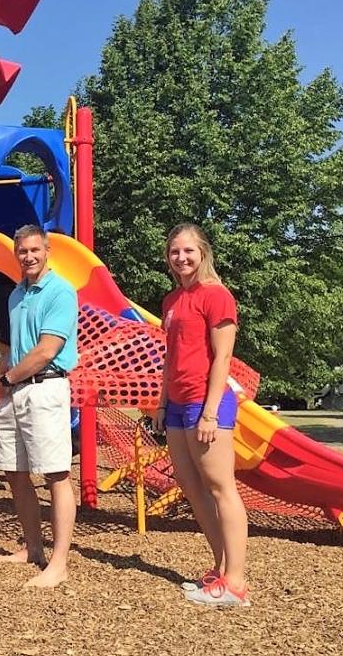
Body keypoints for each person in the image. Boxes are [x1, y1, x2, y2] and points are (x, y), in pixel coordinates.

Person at [0, 224, 78, 588]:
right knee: (14, 471)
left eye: (34, 250)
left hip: (44, 388)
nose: (28, 257)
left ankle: (58, 563)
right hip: (17, 389)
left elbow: (46, 350)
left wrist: (6, 381)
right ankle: (33, 548)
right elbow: (18, 352)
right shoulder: (16, 294)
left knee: (56, 474)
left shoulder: (60, 291)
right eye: (22, 251)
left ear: (46, 251)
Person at [153, 223, 250, 607]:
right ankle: (221, 568)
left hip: (205, 402)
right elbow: (171, 357)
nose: (181, 258)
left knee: (221, 487)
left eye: (188, 251)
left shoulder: (217, 296)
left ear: (203, 253)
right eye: (175, 251)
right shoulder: (172, 300)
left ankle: (236, 582)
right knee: (191, 486)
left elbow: (223, 357)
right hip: (177, 404)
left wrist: (209, 413)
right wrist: (162, 404)